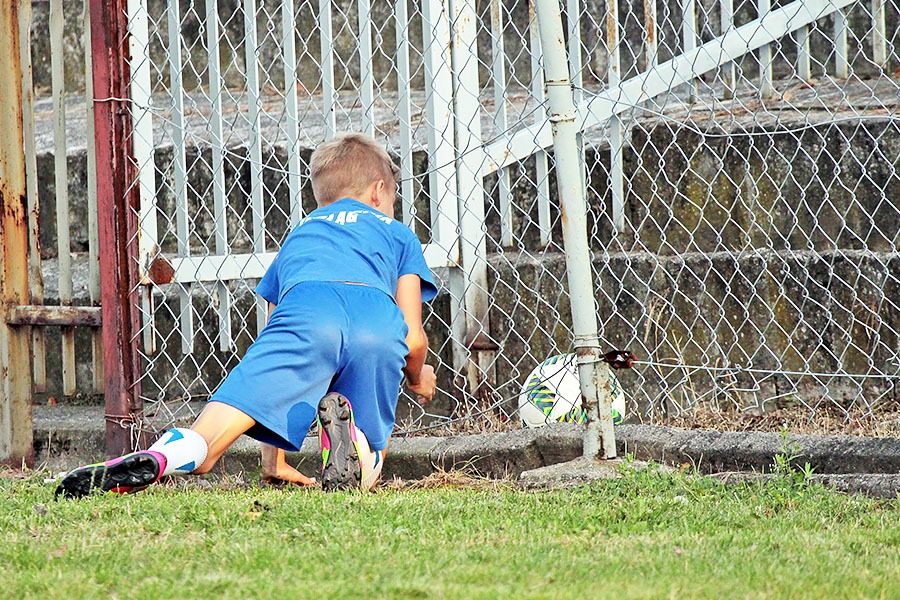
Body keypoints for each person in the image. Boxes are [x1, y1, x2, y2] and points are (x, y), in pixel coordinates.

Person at [56, 133, 438, 499]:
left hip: (306, 310)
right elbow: (413, 339)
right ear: (378, 190)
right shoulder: (398, 233)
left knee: (209, 438)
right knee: (369, 438)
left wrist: (274, 461)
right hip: (376, 322)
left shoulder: (301, 234)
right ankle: (361, 461)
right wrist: (419, 377)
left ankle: (165, 456)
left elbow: (279, 345)